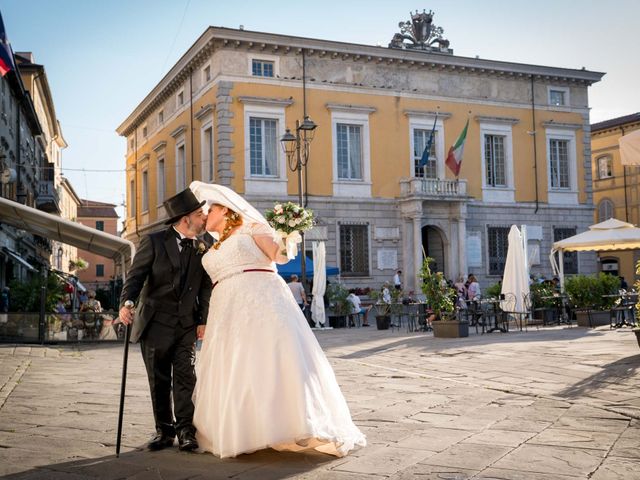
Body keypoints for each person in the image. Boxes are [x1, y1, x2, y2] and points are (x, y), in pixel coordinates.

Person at [189, 181, 366, 459]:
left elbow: (279, 256)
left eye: (209, 210)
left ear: (224, 210)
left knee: (269, 358)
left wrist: (286, 233)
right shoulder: (211, 245)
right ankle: (241, 428)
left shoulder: (252, 228)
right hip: (225, 307)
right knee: (235, 362)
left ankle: (290, 423)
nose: (205, 216)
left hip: (261, 298)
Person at [118, 187, 212, 452]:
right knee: (158, 379)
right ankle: (164, 431)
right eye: (199, 214)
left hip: (186, 324)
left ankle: (186, 431)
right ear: (185, 219)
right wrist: (126, 303)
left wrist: (203, 319)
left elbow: (205, 287)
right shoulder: (154, 241)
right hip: (155, 322)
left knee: (186, 376)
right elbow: (135, 277)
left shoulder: (204, 246)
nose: (204, 218)